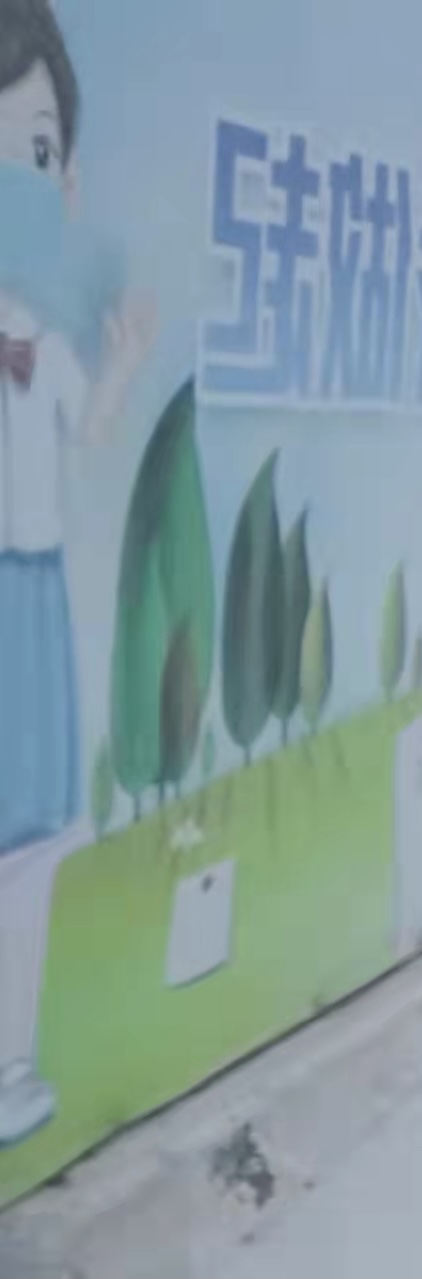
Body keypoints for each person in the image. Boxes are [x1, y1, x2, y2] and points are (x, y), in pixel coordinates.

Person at [0, 0, 154, 1147]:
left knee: (33, 842)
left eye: (37, 146)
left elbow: (86, 435)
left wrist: (123, 366)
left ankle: (11, 1061)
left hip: (37, 597)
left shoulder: (36, 339)